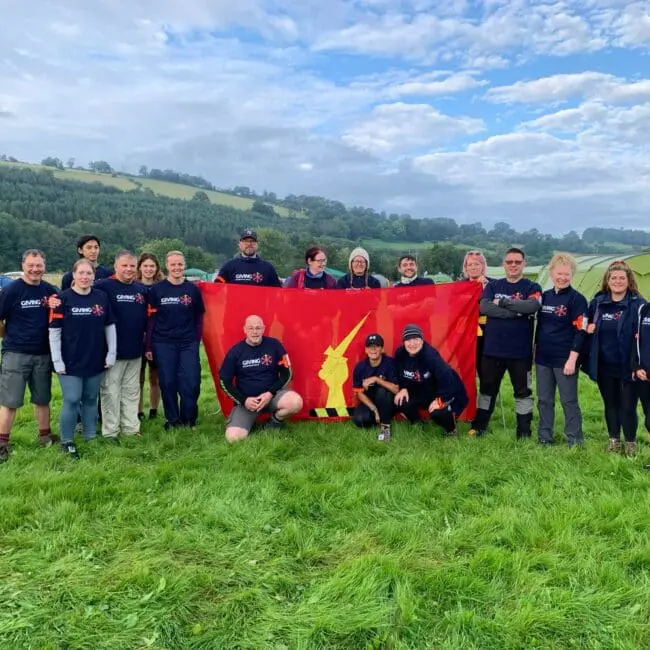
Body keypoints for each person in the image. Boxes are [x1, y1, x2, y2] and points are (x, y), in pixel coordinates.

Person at [469, 248, 542, 439]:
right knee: (486, 389)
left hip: (520, 353)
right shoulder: (493, 286)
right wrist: (517, 313)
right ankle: (479, 426)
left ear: (523, 264)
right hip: (492, 350)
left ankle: (524, 431)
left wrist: (501, 303)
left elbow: (532, 306)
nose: (513, 265)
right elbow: (485, 307)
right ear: (504, 264)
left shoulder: (532, 287)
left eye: (517, 262)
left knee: (523, 392)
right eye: (509, 262)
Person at [49, 259, 116, 459]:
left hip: (95, 357)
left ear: (94, 276)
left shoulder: (101, 297)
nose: (85, 277)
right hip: (69, 360)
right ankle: (67, 440)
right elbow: (54, 332)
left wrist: (111, 353)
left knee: (89, 399)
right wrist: (57, 360)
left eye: (89, 274)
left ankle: (90, 436)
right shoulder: (63, 299)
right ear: (74, 275)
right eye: (81, 273)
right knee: (71, 399)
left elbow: (109, 327)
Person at [0, 250, 59, 463]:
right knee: (10, 401)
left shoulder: (49, 290)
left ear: (44, 266)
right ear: (23, 265)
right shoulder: (12, 290)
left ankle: (45, 436)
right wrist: (8, 336)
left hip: (42, 353)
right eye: (31, 265)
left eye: (39, 265)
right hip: (16, 353)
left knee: (42, 398)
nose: (35, 269)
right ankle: (2, 443)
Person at [583, 260, 645, 454]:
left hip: (629, 366)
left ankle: (631, 443)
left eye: (621, 278)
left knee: (627, 406)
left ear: (629, 280)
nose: (617, 281)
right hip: (604, 364)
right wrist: (587, 329)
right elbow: (584, 326)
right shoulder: (598, 303)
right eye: (613, 278)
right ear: (607, 281)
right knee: (610, 404)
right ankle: (613, 440)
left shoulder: (639, 305)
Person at [219, 315, 303, 442]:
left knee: (296, 402)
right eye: (251, 328)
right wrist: (244, 400)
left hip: (272, 397)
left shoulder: (274, 345)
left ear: (263, 329)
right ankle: (247, 421)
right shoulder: (235, 352)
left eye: (258, 328)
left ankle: (274, 422)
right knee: (233, 438)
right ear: (244, 330)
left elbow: (287, 373)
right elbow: (224, 381)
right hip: (247, 402)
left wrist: (270, 393)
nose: (254, 332)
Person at [146, 251, 204, 430]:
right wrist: (148, 345)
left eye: (180, 264)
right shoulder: (157, 290)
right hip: (163, 342)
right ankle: (172, 419)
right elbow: (151, 320)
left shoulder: (192, 290)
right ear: (167, 266)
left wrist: (196, 339)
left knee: (191, 381)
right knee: (167, 382)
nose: (177, 268)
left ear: (184, 266)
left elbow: (199, 317)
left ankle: (189, 419)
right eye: (173, 264)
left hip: (188, 342)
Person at [535, 253, 588, 447]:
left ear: (572, 274)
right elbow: (539, 328)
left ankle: (574, 440)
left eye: (566, 274)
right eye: (559, 273)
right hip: (542, 358)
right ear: (551, 273)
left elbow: (581, 331)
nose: (562, 277)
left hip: (565, 359)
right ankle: (544, 437)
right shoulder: (545, 297)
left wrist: (572, 359)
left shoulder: (578, 300)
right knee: (544, 400)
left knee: (568, 401)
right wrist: (535, 350)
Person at [95, 251, 148, 441]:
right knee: (110, 392)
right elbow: (80, 293)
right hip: (111, 352)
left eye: (132, 266)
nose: (128, 270)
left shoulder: (141, 290)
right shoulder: (103, 286)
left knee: (132, 392)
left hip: (135, 350)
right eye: (124, 266)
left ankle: (131, 429)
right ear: (116, 266)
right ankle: (110, 432)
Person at [393, 324, 468, 434]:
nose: (412, 344)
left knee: (438, 412)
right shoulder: (400, 354)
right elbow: (400, 372)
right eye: (408, 340)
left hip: (445, 391)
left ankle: (451, 430)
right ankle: (418, 425)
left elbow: (446, 376)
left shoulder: (430, 356)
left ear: (422, 340)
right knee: (400, 401)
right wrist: (403, 388)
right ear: (403, 342)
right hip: (423, 391)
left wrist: (441, 399)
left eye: (416, 339)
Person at [351, 333, 399, 441]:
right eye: (370, 346)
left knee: (382, 391)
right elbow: (359, 392)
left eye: (376, 346)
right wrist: (374, 409)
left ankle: (385, 430)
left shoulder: (390, 363)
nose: (373, 349)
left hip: (388, 401)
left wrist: (377, 379)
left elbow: (396, 389)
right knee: (361, 420)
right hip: (370, 403)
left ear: (382, 349)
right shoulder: (360, 367)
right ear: (366, 350)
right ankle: (381, 416)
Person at [136, 252, 163, 420]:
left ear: (157, 268)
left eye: (152, 266)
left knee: (155, 377)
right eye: (145, 266)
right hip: (137, 337)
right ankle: (138, 412)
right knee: (137, 379)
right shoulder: (133, 286)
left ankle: (153, 410)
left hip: (156, 337)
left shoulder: (161, 287)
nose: (148, 269)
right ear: (140, 267)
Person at [215, 229, 282, 286]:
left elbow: (278, 292)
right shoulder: (229, 266)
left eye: (252, 241)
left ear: (257, 244)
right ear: (240, 244)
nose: (249, 244)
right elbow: (217, 288)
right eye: (246, 241)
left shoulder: (268, 268)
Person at [462, 250, 491, 379]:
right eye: (470, 265)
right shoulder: (460, 286)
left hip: (488, 332)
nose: (473, 267)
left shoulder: (493, 284)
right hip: (465, 333)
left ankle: (486, 398)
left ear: (483, 266)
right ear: (465, 268)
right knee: (465, 371)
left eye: (477, 264)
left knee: (486, 371)